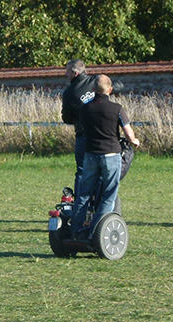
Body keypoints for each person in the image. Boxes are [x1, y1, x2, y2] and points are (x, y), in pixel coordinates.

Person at [71, 75, 140, 239]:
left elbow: (81, 127)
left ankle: (75, 231)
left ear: (93, 90)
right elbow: (129, 133)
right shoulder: (117, 109)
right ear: (110, 90)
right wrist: (134, 141)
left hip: (90, 155)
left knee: (83, 195)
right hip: (110, 155)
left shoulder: (85, 109)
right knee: (108, 196)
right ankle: (96, 233)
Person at [61, 59, 96, 196]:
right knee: (102, 170)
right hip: (103, 135)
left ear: (75, 73)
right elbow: (119, 86)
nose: (66, 74)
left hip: (83, 135)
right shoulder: (97, 82)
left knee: (82, 170)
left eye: (68, 71)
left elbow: (67, 119)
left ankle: (80, 205)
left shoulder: (69, 92)